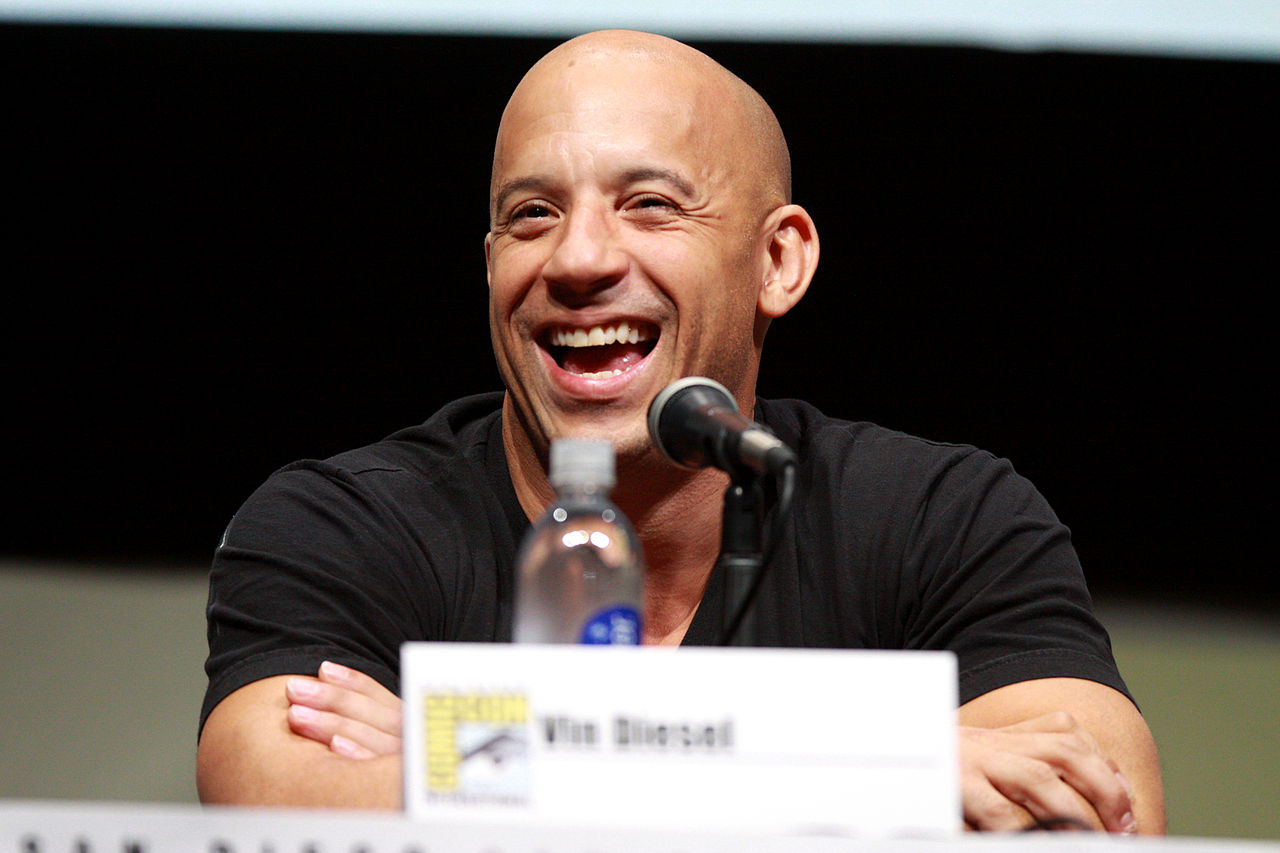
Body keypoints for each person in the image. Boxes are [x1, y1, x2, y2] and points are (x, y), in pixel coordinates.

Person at [196, 29, 1164, 833]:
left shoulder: (946, 517)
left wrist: (471, 755)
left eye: (650, 205)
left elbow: (1099, 808)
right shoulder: (340, 522)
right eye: (530, 215)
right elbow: (269, 796)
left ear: (777, 261)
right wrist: (884, 766)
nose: (576, 258)